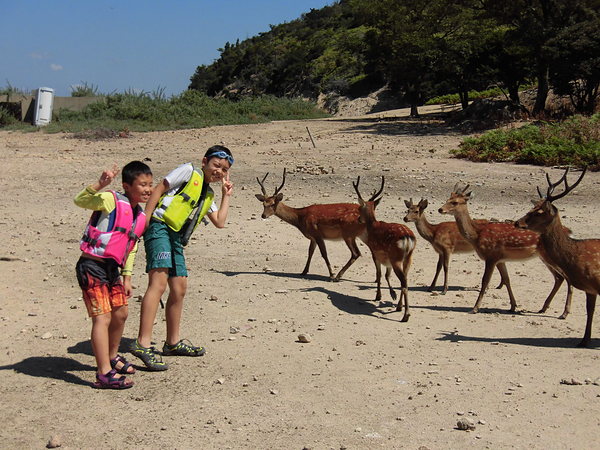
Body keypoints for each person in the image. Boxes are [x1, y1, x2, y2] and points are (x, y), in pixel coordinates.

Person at [130, 145, 234, 371]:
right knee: (157, 284)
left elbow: (220, 221)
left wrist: (226, 195)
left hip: (176, 238)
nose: (219, 171)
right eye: (216, 165)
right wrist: (145, 220)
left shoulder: (208, 194)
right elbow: (160, 188)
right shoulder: (189, 171)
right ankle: (143, 343)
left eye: (224, 169)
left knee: (179, 288)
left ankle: (172, 343)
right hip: (159, 227)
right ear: (204, 161)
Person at [74, 161, 153, 389]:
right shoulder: (111, 200)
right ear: (127, 186)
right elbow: (80, 200)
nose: (148, 189)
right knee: (103, 318)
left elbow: (131, 245)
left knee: (121, 313)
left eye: (150, 184)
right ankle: (103, 373)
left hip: (112, 271)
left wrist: (127, 276)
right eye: (142, 184)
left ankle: (111, 356)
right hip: (91, 266)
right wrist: (100, 184)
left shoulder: (139, 216)